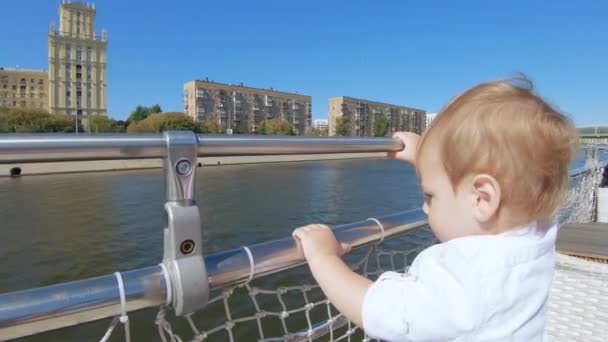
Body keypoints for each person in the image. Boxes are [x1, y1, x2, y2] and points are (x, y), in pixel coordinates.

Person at [292, 78, 578, 341]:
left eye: (431, 195)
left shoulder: (465, 282)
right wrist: (426, 159)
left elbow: (376, 310)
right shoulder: (535, 233)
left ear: (482, 199)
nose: (424, 207)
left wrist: (323, 256)